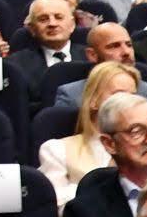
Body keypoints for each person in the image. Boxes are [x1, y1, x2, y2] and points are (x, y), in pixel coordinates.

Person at [40, 61, 139, 207]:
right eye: (119, 94)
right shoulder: (57, 150)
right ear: (94, 100)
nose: (129, 103)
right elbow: (55, 203)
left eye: (134, 96)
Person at [54, 23, 147, 111]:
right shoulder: (71, 96)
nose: (126, 52)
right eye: (114, 46)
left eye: (129, 45)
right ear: (92, 55)